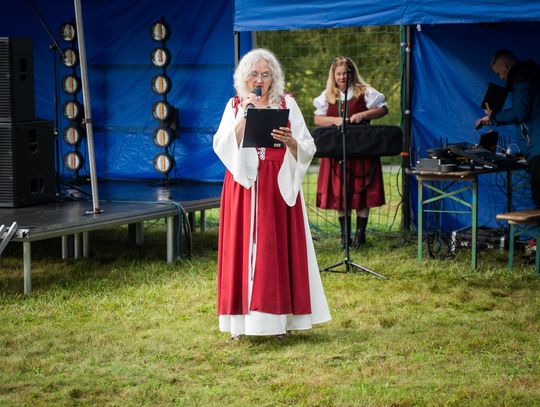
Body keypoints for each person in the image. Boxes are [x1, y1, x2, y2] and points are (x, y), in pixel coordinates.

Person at [213, 48, 331, 339]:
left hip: (278, 183)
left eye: (266, 74)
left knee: (274, 248)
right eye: (254, 74)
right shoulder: (235, 105)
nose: (260, 80)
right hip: (244, 185)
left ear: (274, 78)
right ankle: (241, 325)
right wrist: (245, 115)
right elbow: (222, 144)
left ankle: (278, 322)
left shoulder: (287, 104)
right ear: (244, 77)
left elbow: (307, 146)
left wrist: (291, 142)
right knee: (243, 250)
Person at [313, 57, 388, 248]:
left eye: (345, 73)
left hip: (362, 149)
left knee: (362, 190)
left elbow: (382, 110)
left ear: (352, 73)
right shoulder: (328, 95)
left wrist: (363, 115)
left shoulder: (364, 91)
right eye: (338, 74)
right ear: (333, 75)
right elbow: (318, 119)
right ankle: (345, 236)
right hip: (337, 151)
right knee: (341, 192)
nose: (342, 77)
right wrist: (335, 120)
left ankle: (360, 235)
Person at [476, 49, 540, 208]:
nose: (501, 77)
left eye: (499, 73)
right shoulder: (533, 73)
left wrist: (494, 116)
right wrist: (492, 118)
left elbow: (520, 112)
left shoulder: (521, 76)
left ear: (505, 66)